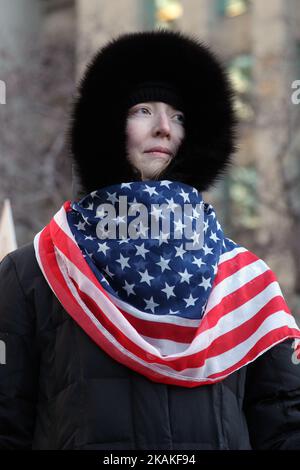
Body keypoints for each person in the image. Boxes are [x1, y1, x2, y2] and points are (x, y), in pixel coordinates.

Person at [0, 29, 300, 451]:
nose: (164, 128)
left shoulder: (246, 282)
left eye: (178, 116)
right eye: (143, 110)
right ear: (106, 126)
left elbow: (285, 424)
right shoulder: (33, 273)